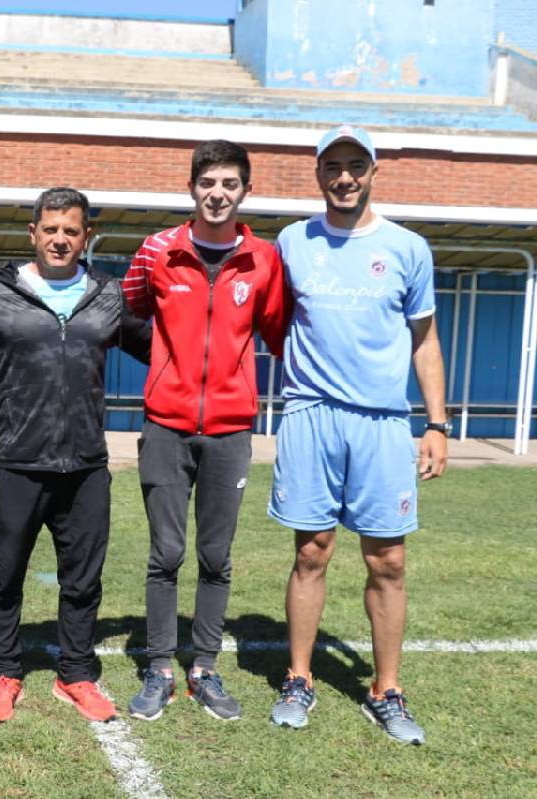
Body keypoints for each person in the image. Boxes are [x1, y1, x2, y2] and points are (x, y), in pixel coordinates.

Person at [268, 125, 447, 745]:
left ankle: (386, 690)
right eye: (333, 166)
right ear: (318, 173)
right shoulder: (292, 242)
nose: (344, 176)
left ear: (373, 172)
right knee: (312, 550)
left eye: (356, 165)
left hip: (381, 423)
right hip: (311, 414)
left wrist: (437, 423)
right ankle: (299, 678)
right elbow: (266, 319)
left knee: (389, 560)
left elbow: (424, 340)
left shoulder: (407, 248)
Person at [0, 187, 150, 724]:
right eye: (51, 229)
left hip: (85, 464)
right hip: (16, 459)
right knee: (5, 574)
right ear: (33, 233)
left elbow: (157, 346)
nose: (61, 239)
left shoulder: (107, 294)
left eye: (72, 231)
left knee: (82, 579)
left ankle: (76, 674)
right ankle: (4, 671)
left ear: (88, 238)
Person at [122, 140, 289, 724]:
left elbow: (275, 330)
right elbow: (131, 311)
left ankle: (206, 668)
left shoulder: (264, 260)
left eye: (230, 184)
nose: (218, 193)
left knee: (215, 555)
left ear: (246, 191)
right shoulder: (157, 251)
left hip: (230, 431)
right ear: (191, 187)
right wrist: (169, 370)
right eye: (208, 182)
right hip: (165, 426)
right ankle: (160, 668)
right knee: (165, 552)